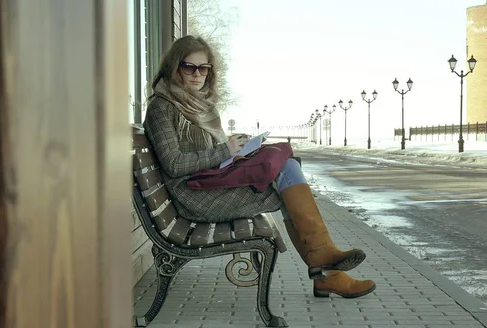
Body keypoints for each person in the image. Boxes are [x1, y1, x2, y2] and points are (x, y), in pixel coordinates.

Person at [143, 35, 375, 298]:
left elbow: (205, 156)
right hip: (192, 197)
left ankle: (325, 267)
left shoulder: (198, 106)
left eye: (204, 68)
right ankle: (326, 269)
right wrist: (225, 150)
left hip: (206, 183)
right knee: (286, 181)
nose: (198, 75)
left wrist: (237, 152)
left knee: (285, 167)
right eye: (189, 67)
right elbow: (173, 164)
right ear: (175, 67)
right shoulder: (162, 107)